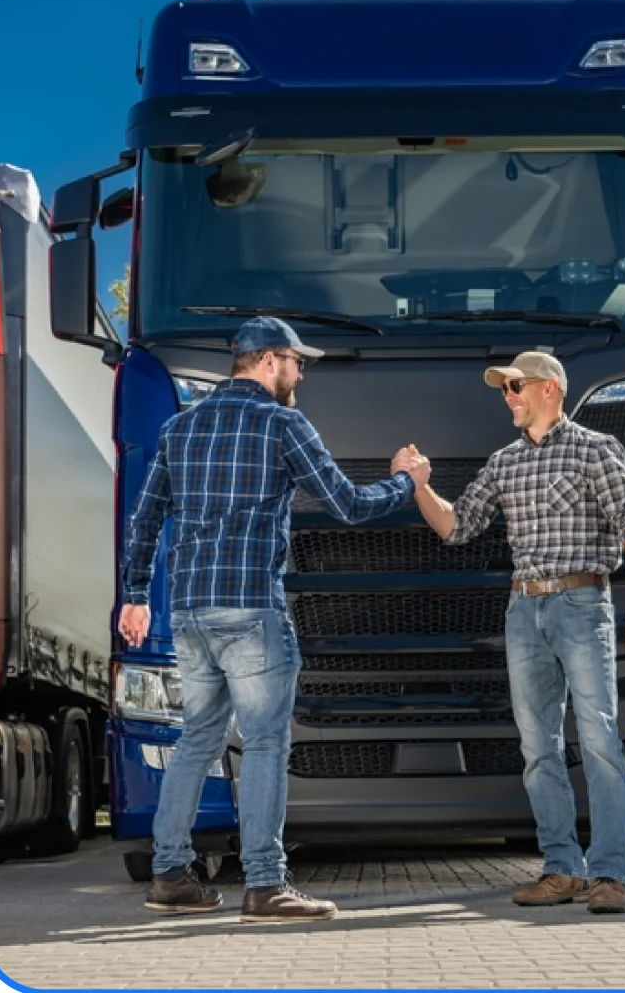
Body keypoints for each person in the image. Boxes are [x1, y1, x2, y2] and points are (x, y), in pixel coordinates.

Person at [118, 315, 430, 923]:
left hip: (190, 611)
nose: (302, 371)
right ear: (266, 361)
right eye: (296, 360)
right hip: (251, 608)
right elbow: (345, 504)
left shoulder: (179, 428)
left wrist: (135, 594)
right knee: (263, 744)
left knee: (197, 742)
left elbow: (146, 520)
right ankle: (265, 885)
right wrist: (405, 482)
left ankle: (170, 874)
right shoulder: (283, 424)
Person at [410, 350, 625, 914]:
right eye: (504, 389)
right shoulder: (503, 463)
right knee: (537, 747)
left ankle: (610, 875)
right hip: (523, 612)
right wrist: (422, 485)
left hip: (581, 602)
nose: (508, 397)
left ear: (550, 388)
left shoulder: (596, 449)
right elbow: (457, 526)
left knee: (597, 738)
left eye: (516, 386)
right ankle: (562, 869)